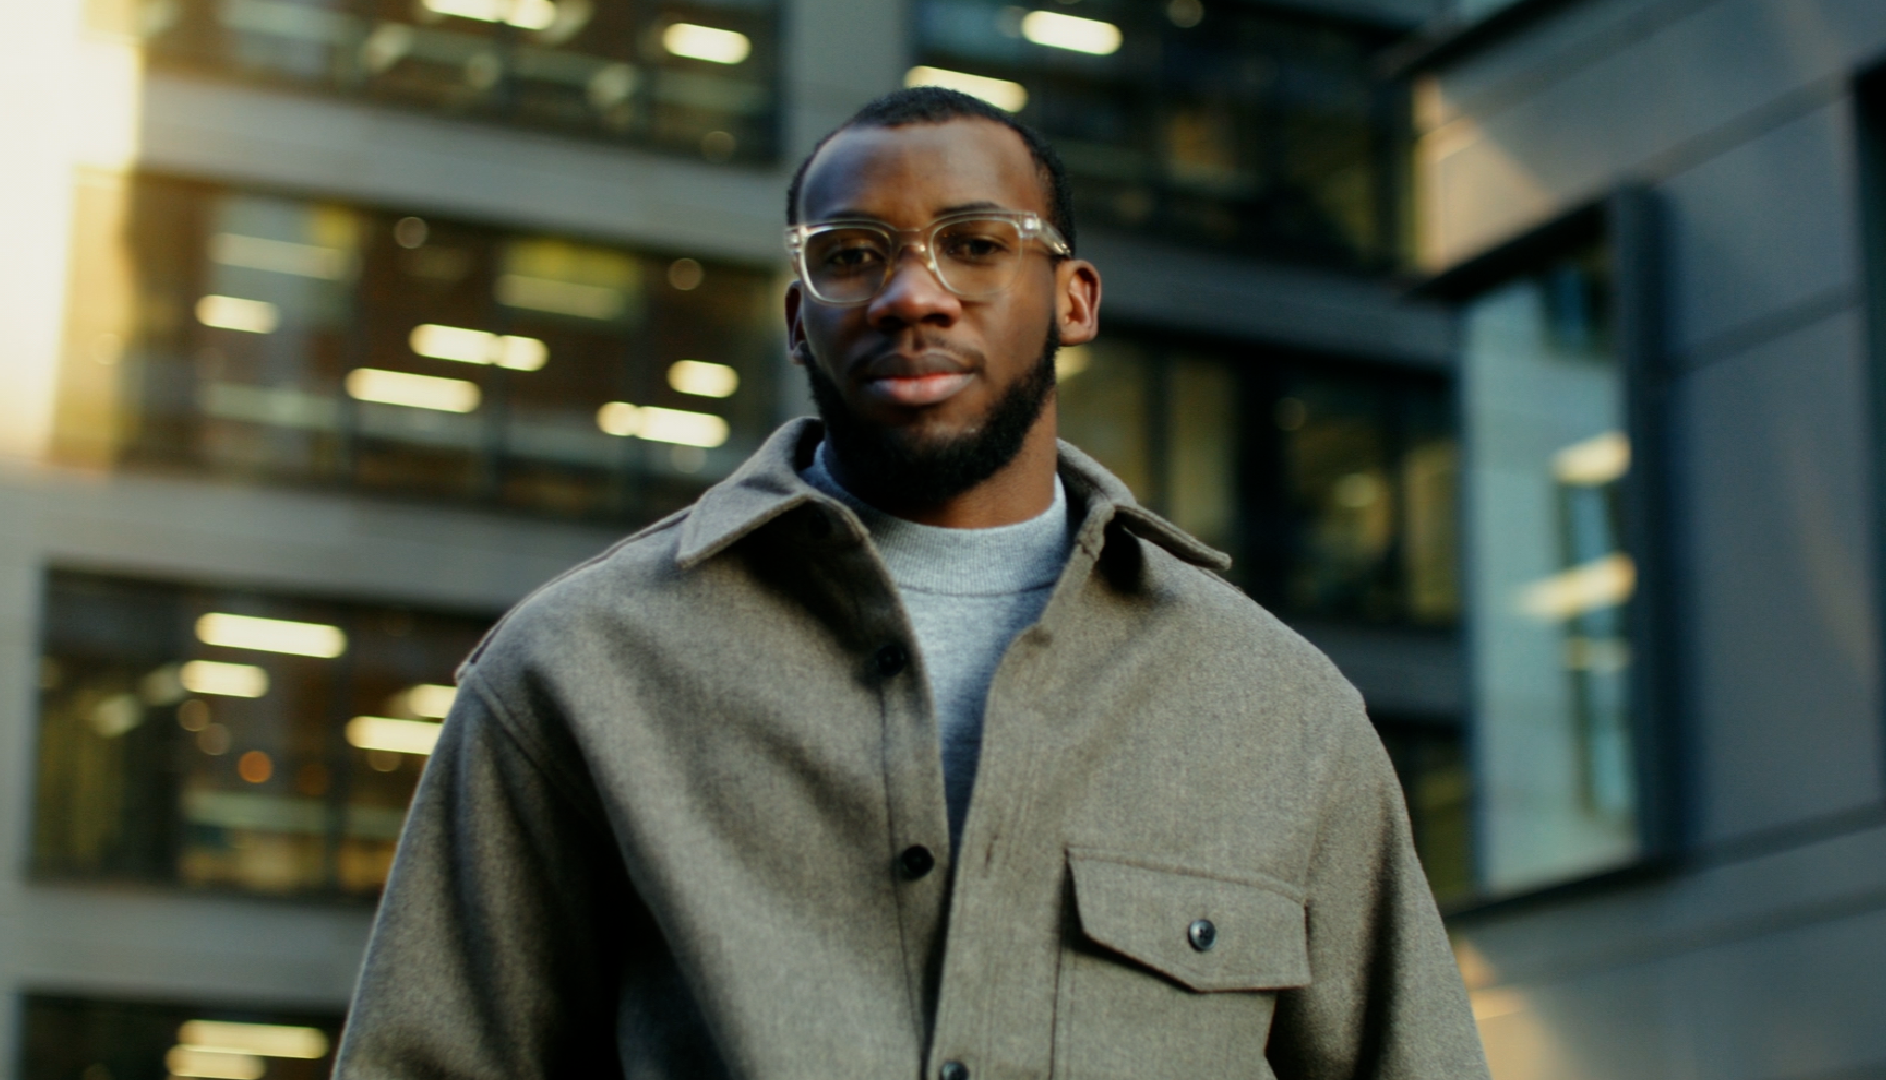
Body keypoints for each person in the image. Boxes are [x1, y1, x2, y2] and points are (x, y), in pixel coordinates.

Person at [334, 88, 1490, 1080]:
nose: (912, 295)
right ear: (800, 320)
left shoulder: (1281, 709)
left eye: (976, 244)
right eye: (851, 255)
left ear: (1075, 299)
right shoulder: (576, 669)